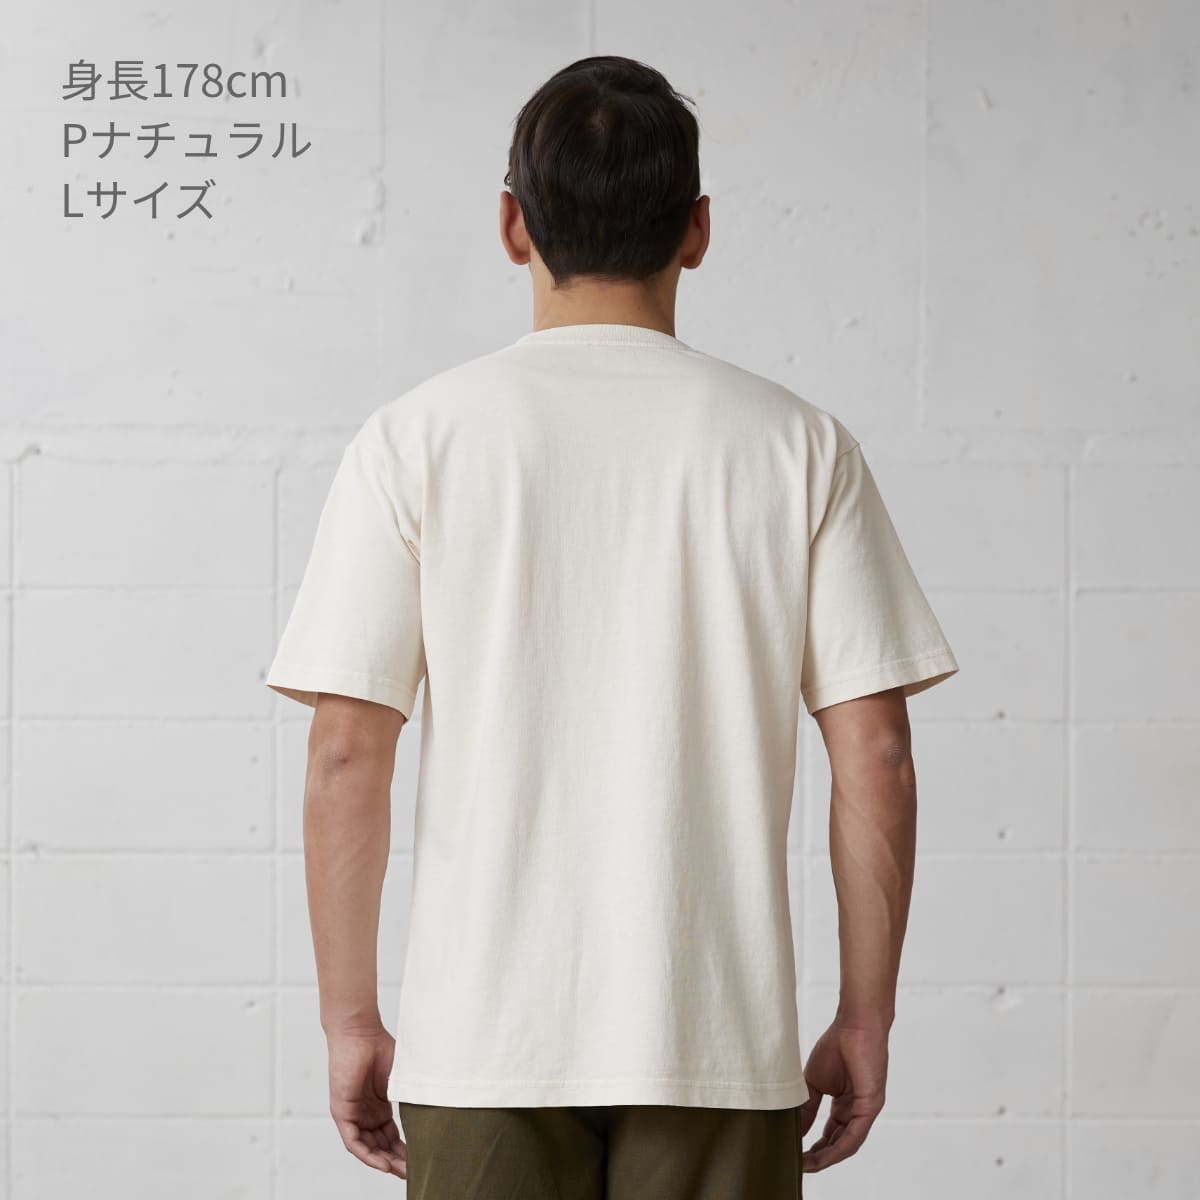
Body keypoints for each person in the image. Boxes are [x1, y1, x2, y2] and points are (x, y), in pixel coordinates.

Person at [265, 53, 959, 1199]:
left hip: (481, 1040)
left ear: (512, 225)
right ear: (697, 229)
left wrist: (350, 1020)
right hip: (717, 1040)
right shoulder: (799, 447)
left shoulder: (415, 441)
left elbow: (345, 751)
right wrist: (864, 1015)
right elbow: (877, 752)